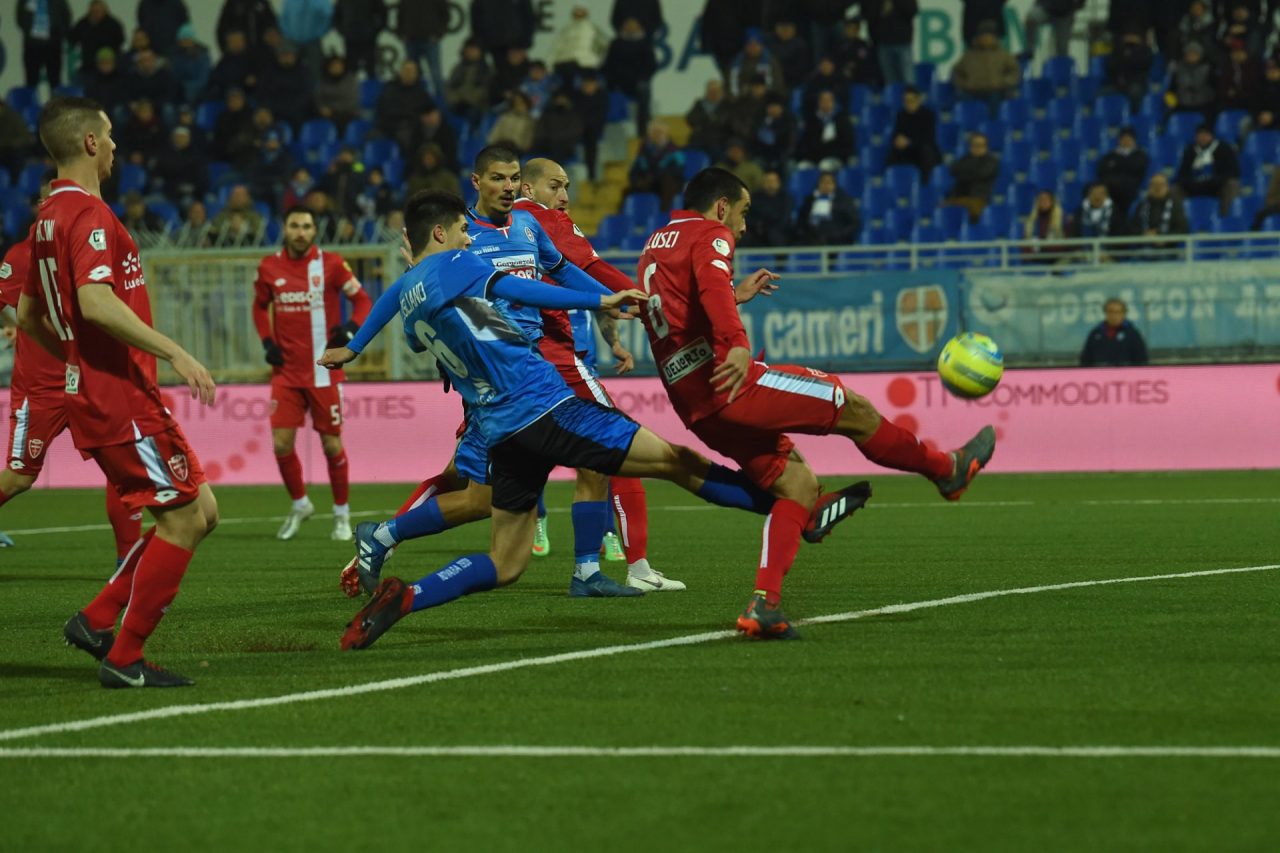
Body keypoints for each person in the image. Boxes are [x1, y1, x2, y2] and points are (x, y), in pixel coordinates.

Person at [328, 190, 866, 650]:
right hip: (544, 408)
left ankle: (409, 596)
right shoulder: (457, 264)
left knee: (506, 562)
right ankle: (798, 507)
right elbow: (522, 288)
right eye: (464, 231)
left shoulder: (408, 294)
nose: (471, 238)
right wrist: (599, 298)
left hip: (499, 429)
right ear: (440, 232)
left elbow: (384, 308)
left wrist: (352, 347)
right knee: (678, 462)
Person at [634, 167, 993, 636]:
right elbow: (710, 287)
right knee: (852, 406)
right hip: (730, 382)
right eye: (742, 212)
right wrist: (736, 340)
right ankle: (946, 470)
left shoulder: (655, 244)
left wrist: (732, 299)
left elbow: (677, 308)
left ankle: (764, 605)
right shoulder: (712, 233)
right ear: (722, 206)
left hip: (694, 403)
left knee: (797, 486)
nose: (742, 226)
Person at [332, 146, 684, 600]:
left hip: (539, 363)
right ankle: (382, 537)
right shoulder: (461, 239)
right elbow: (404, 289)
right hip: (497, 374)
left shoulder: (527, 224)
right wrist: (357, 346)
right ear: (477, 182)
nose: (509, 187)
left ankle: (588, 570)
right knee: (474, 487)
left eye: (514, 178)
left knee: (589, 458)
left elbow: (567, 272)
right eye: (499, 178)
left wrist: (614, 301)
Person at [19, 96, 218, 688]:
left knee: (201, 512)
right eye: (107, 136)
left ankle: (97, 618)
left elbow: (29, 316)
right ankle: (125, 657)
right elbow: (95, 302)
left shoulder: (46, 218)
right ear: (86, 143)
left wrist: (76, 361)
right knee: (183, 521)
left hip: (111, 393)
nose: (114, 146)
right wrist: (174, 351)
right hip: (120, 399)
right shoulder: (89, 216)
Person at [514, 157, 679, 591]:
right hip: (557, 359)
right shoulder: (541, 218)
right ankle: (636, 568)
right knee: (623, 446)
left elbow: (584, 288)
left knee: (471, 484)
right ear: (528, 189)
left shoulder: (496, 228)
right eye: (555, 186)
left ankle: (381, 539)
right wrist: (648, 301)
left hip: (513, 366)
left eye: (567, 187)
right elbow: (592, 271)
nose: (564, 198)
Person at [0, 176, 140, 555]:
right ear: (40, 208)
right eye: (49, 200)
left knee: (120, 468)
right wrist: (12, 326)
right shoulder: (20, 255)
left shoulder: (88, 244)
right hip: (40, 388)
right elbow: (13, 310)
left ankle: (124, 564)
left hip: (87, 379)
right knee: (20, 477)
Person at [252, 205, 372, 541]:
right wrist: (266, 342)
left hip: (324, 371)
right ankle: (301, 503)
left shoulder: (331, 264)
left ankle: (341, 515)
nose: (301, 232)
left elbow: (363, 301)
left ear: (314, 231)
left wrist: (350, 330)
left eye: (307, 226)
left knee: (332, 445)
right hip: (286, 373)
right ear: (285, 229)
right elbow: (259, 307)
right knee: (280, 443)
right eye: (295, 225)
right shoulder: (268, 267)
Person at [952, 21, 1020, 113]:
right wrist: (964, 84)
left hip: (995, 91)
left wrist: (1005, 82)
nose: (986, 38)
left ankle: (993, 124)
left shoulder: (1002, 55)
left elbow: (1014, 71)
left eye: (989, 35)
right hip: (972, 91)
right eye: (983, 35)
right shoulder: (969, 56)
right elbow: (957, 72)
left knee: (997, 104)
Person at [1174, 124, 1241, 215]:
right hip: (1194, 187)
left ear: (1211, 135)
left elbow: (1233, 172)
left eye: (1205, 134)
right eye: (1200, 134)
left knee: (1232, 184)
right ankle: (1180, 220)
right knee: (1175, 189)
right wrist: (1192, 184)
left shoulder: (1224, 148)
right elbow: (1181, 175)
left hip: (1217, 186)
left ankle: (1227, 220)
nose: (1202, 137)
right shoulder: (1189, 150)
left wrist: (1215, 181)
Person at [627, 120, 685, 210]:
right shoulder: (643, 152)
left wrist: (655, 176)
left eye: (659, 132)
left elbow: (678, 171)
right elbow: (634, 171)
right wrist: (637, 180)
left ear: (666, 134)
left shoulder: (675, 152)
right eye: (653, 132)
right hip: (649, 183)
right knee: (628, 191)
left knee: (668, 182)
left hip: (666, 183)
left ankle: (663, 215)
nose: (656, 135)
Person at [885, 85, 940, 177]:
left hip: (921, 149)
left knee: (927, 151)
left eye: (911, 101)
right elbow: (895, 134)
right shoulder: (901, 115)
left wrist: (910, 142)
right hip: (907, 151)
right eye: (905, 101)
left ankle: (925, 185)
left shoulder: (928, 115)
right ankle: (892, 181)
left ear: (918, 100)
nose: (908, 103)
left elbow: (929, 138)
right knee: (892, 153)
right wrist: (897, 140)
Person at [398, 0, 449, 97]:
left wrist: (439, 33)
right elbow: (400, 14)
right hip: (411, 39)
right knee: (412, 74)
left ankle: (441, 103)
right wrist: (401, 32)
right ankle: (414, 101)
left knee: (435, 73)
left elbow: (445, 15)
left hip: (430, 40)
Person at [945, 132, 1000, 221]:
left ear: (986, 146)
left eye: (981, 145)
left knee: (971, 211)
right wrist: (969, 172)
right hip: (959, 197)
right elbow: (953, 170)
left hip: (979, 199)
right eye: (975, 145)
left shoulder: (991, 161)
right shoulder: (965, 158)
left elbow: (981, 174)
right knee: (942, 210)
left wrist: (965, 172)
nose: (978, 148)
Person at [1096, 127, 1150, 219]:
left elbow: (1141, 174)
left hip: (1131, 190)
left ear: (1134, 140)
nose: (1126, 141)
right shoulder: (1109, 156)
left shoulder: (1141, 156)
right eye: (1123, 138)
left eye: (1129, 138)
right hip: (1111, 190)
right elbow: (1101, 173)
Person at [796, 170, 860, 245]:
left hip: (838, 242)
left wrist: (839, 235)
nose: (825, 185)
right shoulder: (809, 200)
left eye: (829, 182)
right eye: (823, 182)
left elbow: (854, 223)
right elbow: (801, 222)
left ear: (834, 185)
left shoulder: (844, 201)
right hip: (812, 241)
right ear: (818, 184)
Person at [17, 0, 72, 88]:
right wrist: (30, 32)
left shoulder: (59, 1)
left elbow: (66, 17)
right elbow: (20, 18)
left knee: (55, 81)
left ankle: (56, 101)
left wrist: (58, 33)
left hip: (53, 45)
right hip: (32, 45)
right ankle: (31, 101)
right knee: (31, 81)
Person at [68, 1, 126, 83]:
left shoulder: (113, 24)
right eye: (94, 11)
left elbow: (120, 41)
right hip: (88, 66)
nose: (96, 13)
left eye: (99, 11)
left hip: (108, 68)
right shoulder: (83, 23)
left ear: (105, 11)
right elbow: (72, 38)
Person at [1080, 298, 1148, 366]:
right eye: (1110, 312)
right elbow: (1085, 360)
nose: (1114, 316)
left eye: (1118, 312)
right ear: (1105, 313)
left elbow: (1141, 360)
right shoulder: (1095, 334)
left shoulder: (1133, 334)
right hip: (1099, 374)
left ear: (1124, 314)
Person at [865, 0, 918, 86]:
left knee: (908, 78)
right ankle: (894, 99)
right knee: (890, 81)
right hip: (883, 43)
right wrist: (881, 10)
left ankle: (910, 98)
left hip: (902, 42)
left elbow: (913, 11)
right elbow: (869, 15)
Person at [332, 0, 386, 78]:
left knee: (370, 69)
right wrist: (343, 30)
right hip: (351, 39)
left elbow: (383, 13)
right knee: (351, 70)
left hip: (368, 39)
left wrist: (376, 31)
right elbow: (336, 15)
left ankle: (372, 89)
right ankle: (350, 89)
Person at [744, 169, 794, 247]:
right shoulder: (755, 197)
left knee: (775, 235)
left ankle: (781, 259)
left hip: (777, 231)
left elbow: (785, 219)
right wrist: (757, 225)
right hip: (757, 231)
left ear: (779, 182)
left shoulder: (786, 198)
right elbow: (749, 217)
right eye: (767, 181)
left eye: (773, 181)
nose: (770, 184)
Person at [686, 79, 733, 160]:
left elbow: (728, 122)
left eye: (716, 91)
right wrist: (707, 120)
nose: (713, 93)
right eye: (711, 91)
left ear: (720, 91)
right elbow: (689, 118)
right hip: (700, 139)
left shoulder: (727, 104)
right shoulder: (699, 104)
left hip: (719, 140)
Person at [1021, 188, 1067, 264]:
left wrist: (1047, 250)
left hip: (1055, 259)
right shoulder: (1031, 222)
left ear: (1052, 202)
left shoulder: (1062, 220)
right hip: (1035, 259)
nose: (1044, 202)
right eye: (1041, 200)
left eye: (1046, 199)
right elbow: (1025, 245)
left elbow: (1065, 244)